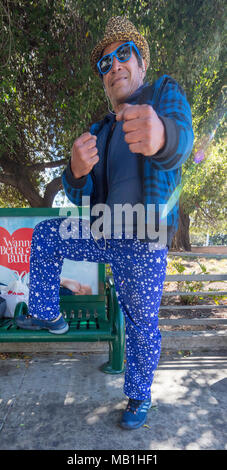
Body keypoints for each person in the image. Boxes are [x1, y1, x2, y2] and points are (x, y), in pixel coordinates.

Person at [16, 16, 194, 430]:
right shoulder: (100, 128)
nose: (114, 65)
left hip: (144, 236)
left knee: (141, 325)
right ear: (103, 78)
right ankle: (47, 312)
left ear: (140, 63)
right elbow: (78, 192)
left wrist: (163, 135)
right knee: (47, 233)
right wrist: (75, 173)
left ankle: (138, 397)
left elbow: (181, 139)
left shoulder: (163, 92)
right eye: (105, 63)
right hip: (103, 229)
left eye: (123, 54)